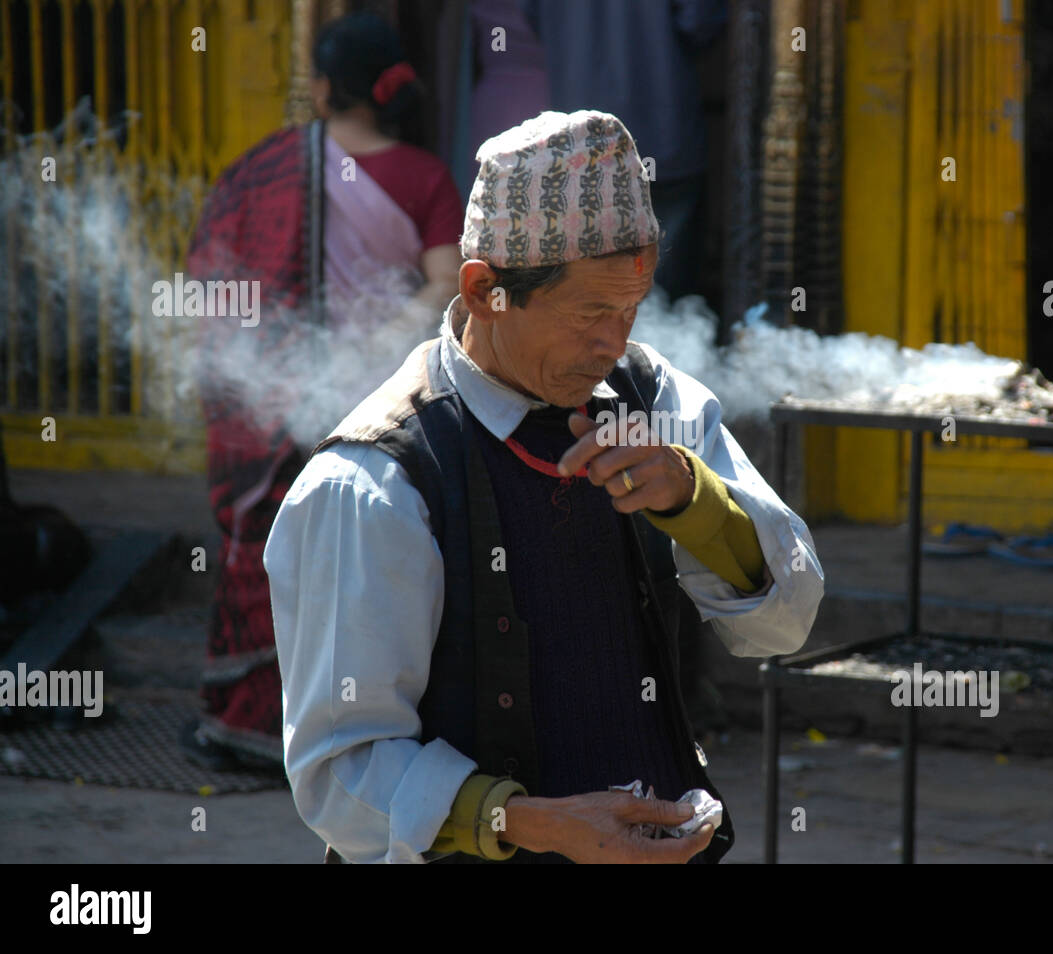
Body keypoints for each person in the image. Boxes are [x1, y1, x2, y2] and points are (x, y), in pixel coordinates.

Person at [265, 110, 823, 863]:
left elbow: (787, 623)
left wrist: (695, 500)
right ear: (485, 290)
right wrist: (526, 821)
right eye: (590, 313)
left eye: (630, 310)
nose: (613, 344)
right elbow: (340, 776)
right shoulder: (374, 483)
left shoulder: (652, 399)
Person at [181, 12, 463, 770]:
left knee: (275, 554)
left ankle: (253, 728)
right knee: (369, 565)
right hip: (388, 402)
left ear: (323, 87)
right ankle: (365, 738)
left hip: (282, 399)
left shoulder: (264, 170)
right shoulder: (425, 176)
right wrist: (373, 348)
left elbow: (217, 291)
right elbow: (446, 284)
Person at [520, 0, 727, 300]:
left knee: (586, 289)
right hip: (660, 128)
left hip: (579, 142)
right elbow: (700, 21)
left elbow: (535, 17)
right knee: (665, 296)